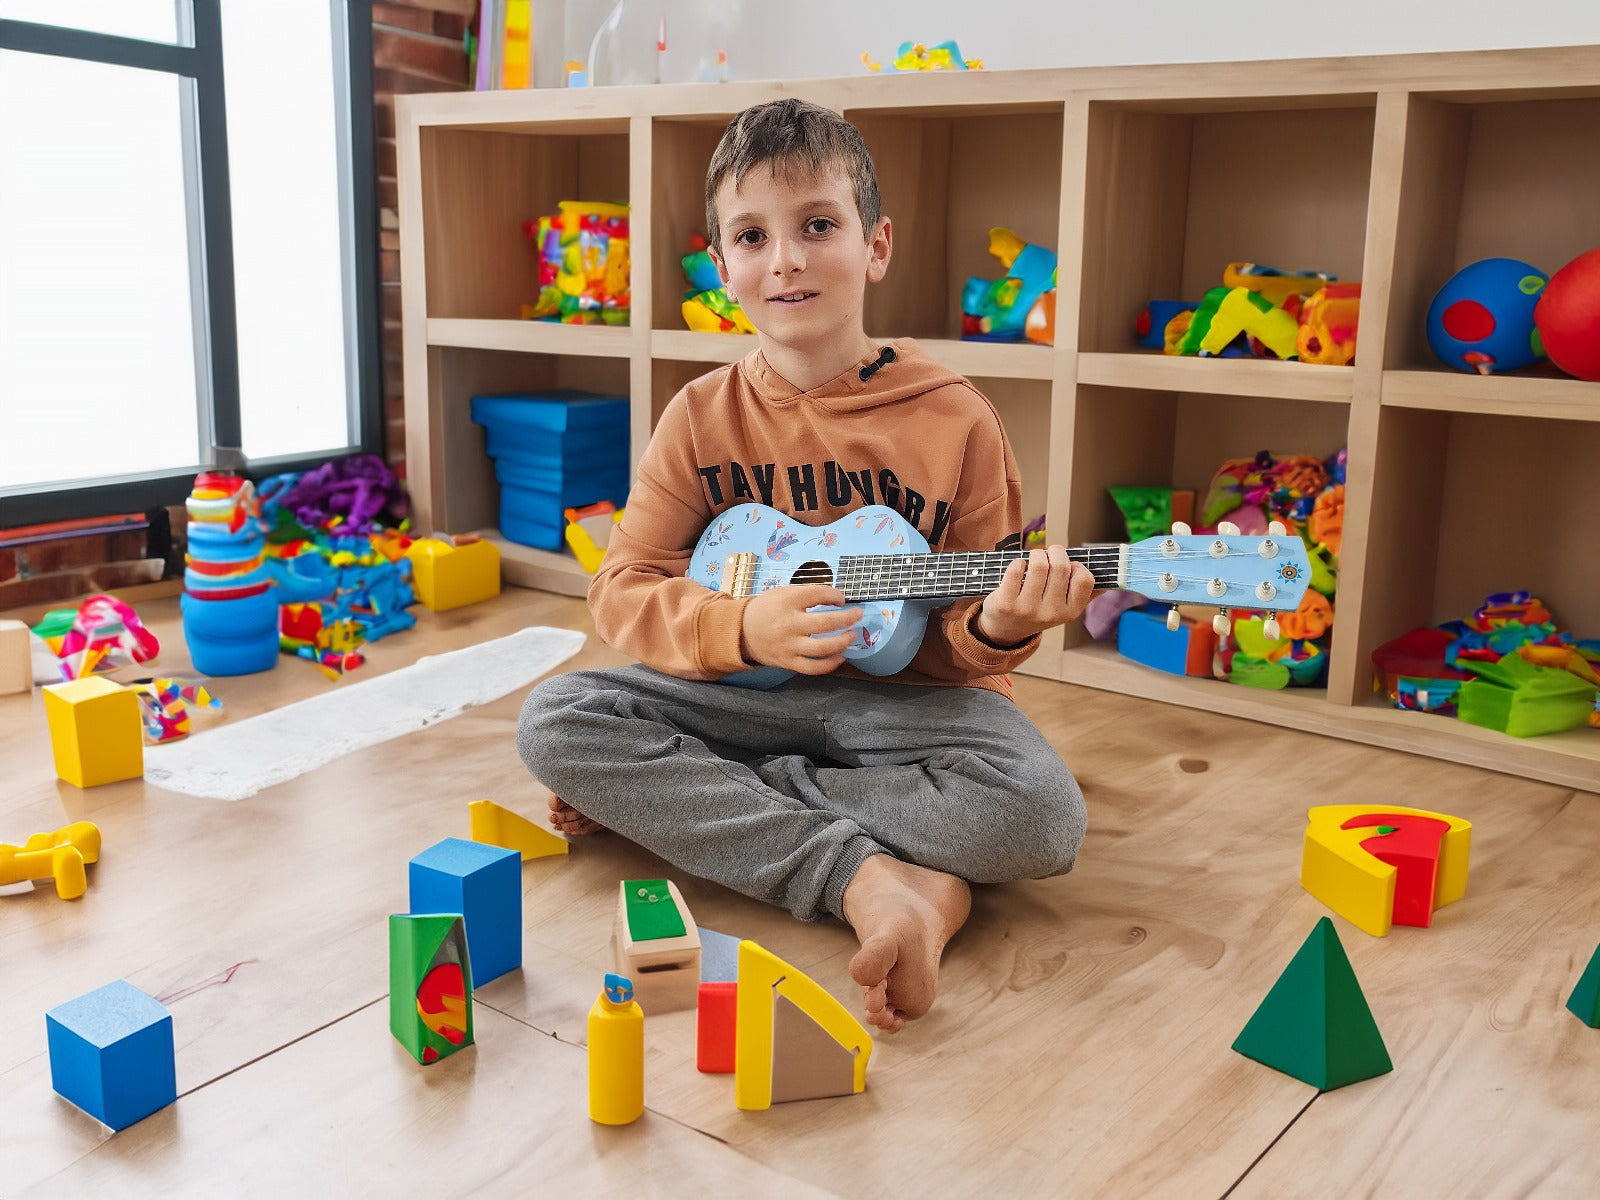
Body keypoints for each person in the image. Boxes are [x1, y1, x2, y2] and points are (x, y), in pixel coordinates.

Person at [518, 98, 1093, 1033]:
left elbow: (966, 646)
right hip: (744, 692)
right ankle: (874, 878)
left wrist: (1000, 625)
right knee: (557, 719)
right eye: (752, 235)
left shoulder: (957, 419)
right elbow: (620, 591)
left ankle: (711, 798)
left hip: (910, 711)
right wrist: (738, 628)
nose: (784, 258)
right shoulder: (698, 415)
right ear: (722, 269)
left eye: (817, 225)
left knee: (1038, 819)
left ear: (875, 245)